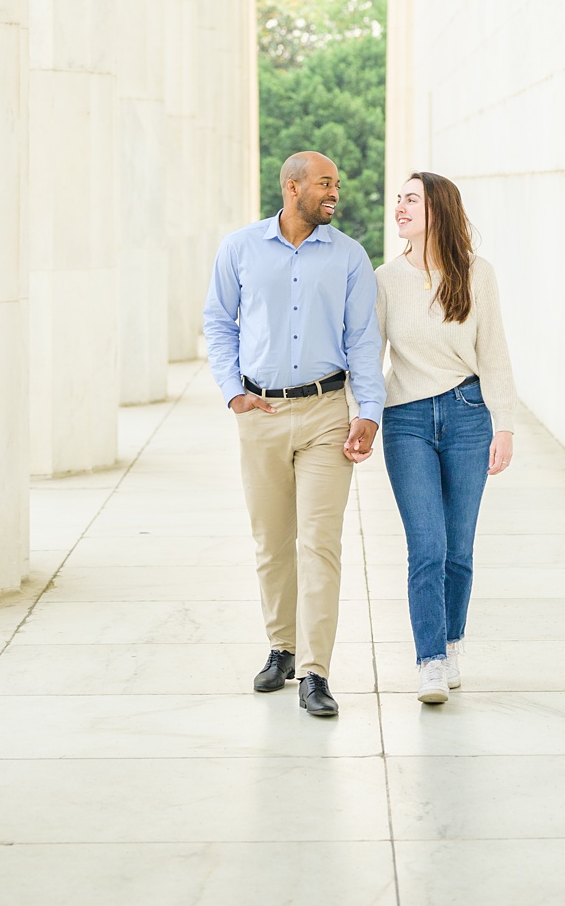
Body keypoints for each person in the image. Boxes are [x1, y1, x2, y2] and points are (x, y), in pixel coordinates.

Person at [203, 150, 385, 719]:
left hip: (327, 413)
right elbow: (217, 320)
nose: (335, 192)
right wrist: (233, 390)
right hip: (260, 414)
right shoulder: (238, 249)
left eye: (336, 183)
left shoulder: (350, 257)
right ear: (292, 187)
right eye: (325, 183)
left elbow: (363, 338)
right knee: (272, 542)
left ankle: (315, 670)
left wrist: (369, 410)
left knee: (320, 544)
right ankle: (281, 648)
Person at [378, 170, 518, 703]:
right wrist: (360, 416)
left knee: (459, 550)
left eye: (411, 199)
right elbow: (371, 359)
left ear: (438, 208)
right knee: (427, 547)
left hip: (467, 414)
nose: (401, 207)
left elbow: (495, 353)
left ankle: (452, 641)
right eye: (399, 200)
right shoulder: (385, 279)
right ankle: (430, 660)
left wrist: (503, 423)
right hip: (407, 419)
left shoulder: (477, 274)